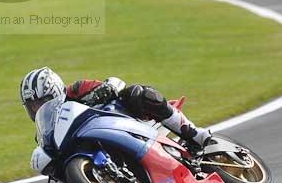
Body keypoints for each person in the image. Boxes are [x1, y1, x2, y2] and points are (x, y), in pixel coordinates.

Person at [20, 66, 213, 160]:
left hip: (126, 123)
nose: (37, 109)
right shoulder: (46, 132)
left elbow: (115, 82)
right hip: (99, 151)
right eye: (32, 107)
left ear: (55, 91)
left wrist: (102, 91)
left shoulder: (76, 90)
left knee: (138, 93)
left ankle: (194, 134)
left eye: (41, 102)